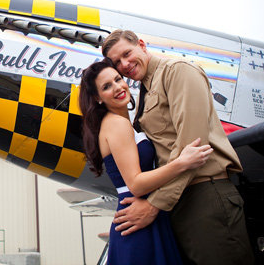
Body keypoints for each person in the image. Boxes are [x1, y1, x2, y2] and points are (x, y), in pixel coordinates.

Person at [102, 29, 254, 265]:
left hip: (203, 193)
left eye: (127, 53)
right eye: (117, 62)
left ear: (142, 45)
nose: (125, 64)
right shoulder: (145, 90)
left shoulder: (178, 71)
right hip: (176, 202)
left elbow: (193, 145)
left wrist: (153, 205)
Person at [79, 58, 213, 264]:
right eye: (107, 86)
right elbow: (136, 184)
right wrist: (182, 163)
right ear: (97, 98)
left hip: (145, 216)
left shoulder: (124, 123)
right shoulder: (116, 124)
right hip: (137, 222)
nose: (117, 87)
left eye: (117, 79)